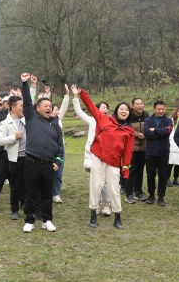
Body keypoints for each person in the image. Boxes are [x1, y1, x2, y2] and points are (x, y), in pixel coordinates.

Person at [76, 86, 134, 229]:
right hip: (99, 158)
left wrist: (125, 167)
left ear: (129, 113)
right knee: (96, 186)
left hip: (114, 162)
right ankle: (93, 214)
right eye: (121, 109)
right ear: (116, 111)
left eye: (126, 110)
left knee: (114, 189)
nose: (124, 111)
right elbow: (91, 106)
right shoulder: (104, 120)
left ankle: (117, 216)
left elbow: (128, 151)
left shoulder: (129, 131)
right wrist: (82, 94)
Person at [20, 73, 63, 233]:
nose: (48, 108)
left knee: (46, 194)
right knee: (31, 194)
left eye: (50, 106)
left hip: (48, 166)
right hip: (32, 163)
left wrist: (57, 161)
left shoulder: (55, 124)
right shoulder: (31, 118)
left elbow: (60, 147)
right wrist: (26, 84)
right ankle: (29, 220)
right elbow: (26, 101)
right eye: (45, 105)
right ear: (37, 108)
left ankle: (47, 220)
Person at [72, 85, 112, 216]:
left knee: (104, 181)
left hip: (105, 154)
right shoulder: (92, 120)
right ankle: (97, 204)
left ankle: (106, 204)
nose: (105, 109)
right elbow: (78, 111)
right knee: (95, 181)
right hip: (92, 154)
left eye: (106, 108)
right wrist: (76, 96)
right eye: (103, 107)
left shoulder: (111, 121)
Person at [0, 95, 26, 219]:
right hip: (9, 155)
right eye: (21, 106)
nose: (23, 108)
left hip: (25, 157)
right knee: (5, 179)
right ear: (13, 107)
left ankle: (24, 204)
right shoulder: (5, 122)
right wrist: (13, 138)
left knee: (24, 183)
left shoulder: (25, 120)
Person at [143, 100, 173, 206]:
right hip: (150, 152)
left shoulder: (168, 120)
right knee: (150, 175)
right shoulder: (148, 120)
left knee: (163, 176)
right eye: (159, 109)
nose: (161, 111)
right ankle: (151, 194)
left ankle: (161, 196)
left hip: (163, 152)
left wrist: (155, 130)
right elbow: (146, 132)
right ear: (154, 109)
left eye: (163, 109)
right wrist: (160, 132)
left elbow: (168, 131)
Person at [126, 97, 148, 204]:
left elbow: (149, 126)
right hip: (132, 148)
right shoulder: (129, 115)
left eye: (141, 103)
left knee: (140, 170)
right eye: (138, 104)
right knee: (131, 171)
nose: (140, 106)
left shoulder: (146, 115)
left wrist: (145, 133)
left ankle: (138, 190)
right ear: (132, 106)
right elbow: (126, 128)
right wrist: (136, 134)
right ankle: (128, 193)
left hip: (143, 148)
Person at [51, 84, 70, 203]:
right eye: (56, 110)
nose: (58, 112)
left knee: (58, 172)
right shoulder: (43, 121)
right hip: (48, 149)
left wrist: (67, 94)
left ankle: (56, 194)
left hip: (60, 149)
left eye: (58, 110)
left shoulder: (59, 119)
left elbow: (64, 106)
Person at [167, 107, 179, 187]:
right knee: (170, 162)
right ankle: (167, 178)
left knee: (178, 162)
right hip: (171, 142)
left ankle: (175, 178)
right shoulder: (171, 120)